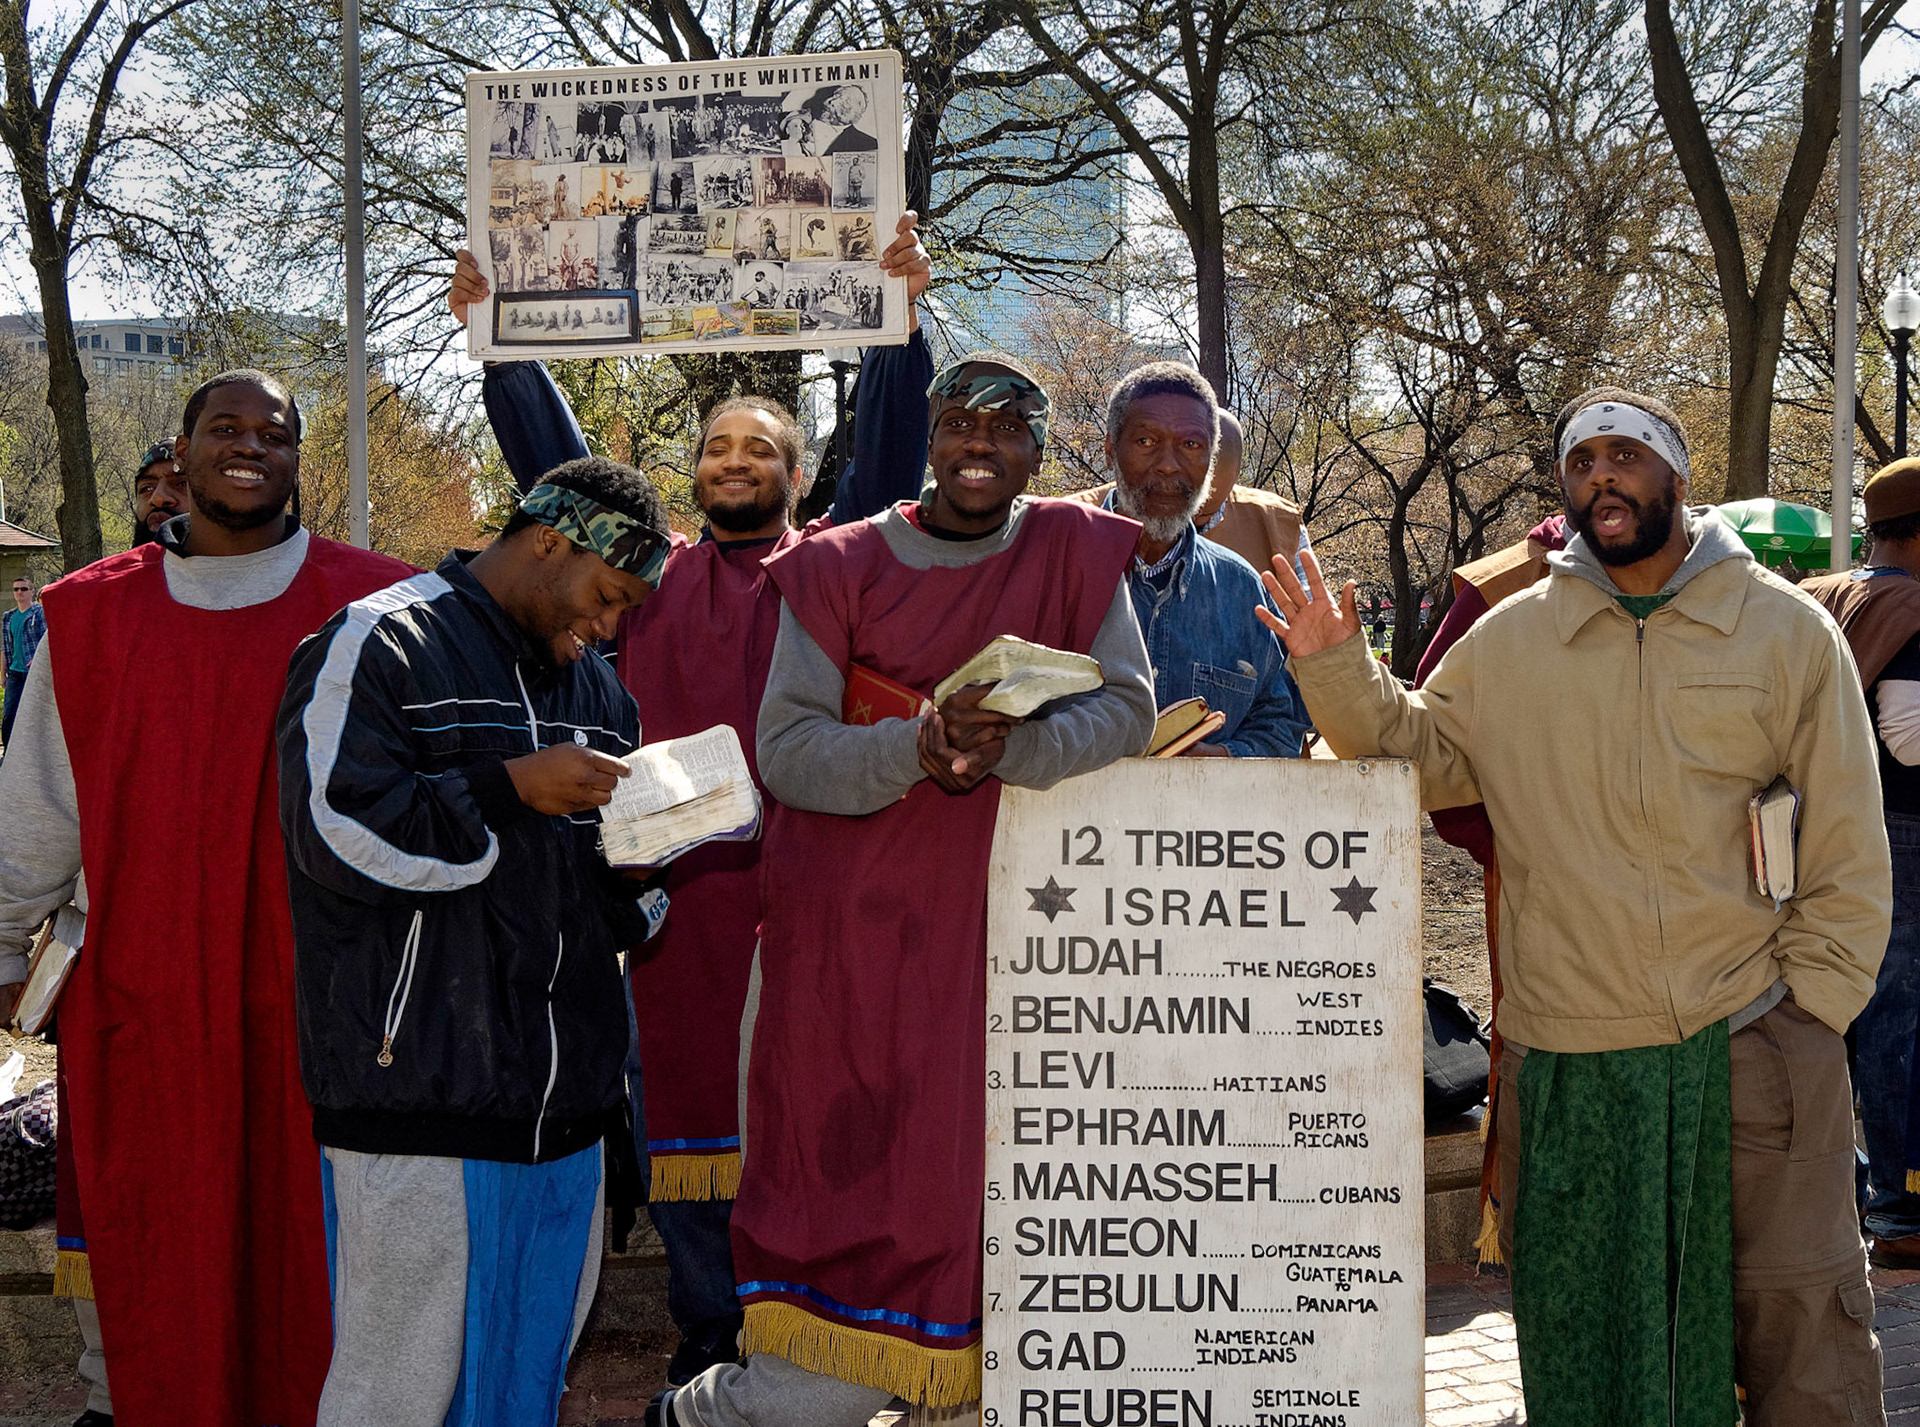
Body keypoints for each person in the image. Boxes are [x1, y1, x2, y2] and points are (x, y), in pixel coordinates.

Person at [1260, 387, 1889, 1424]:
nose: (1603, 474)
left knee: (1800, 1333)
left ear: (1675, 477)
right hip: (1574, 1056)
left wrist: (1811, 1007)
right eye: (1582, 459)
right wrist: (1334, 666)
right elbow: (1416, 752)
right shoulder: (1515, 641)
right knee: (1588, 1340)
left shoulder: (1782, 632)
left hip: (1751, 1038)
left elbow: (1847, 840)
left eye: (1627, 455)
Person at [455, 210, 936, 1385]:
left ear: (791, 470)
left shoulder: (832, 564)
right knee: (679, 1119)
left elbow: (888, 449)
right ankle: (710, 1334)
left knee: (810, 1109)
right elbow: (553, 471)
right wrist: (501, 344)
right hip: (669, 901)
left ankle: (801, 1329)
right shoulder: (643, 572)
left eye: (760, 449)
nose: (735, 461)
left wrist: (901, 319)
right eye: (718, 447)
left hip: (810, 893)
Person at [650, 353, 1155, 1427]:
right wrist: (915, 747)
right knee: (853, 1187)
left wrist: (1016, 746)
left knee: (985, 1194)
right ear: (928, 438)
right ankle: (714, 1410)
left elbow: (1128, 708)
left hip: (1009, 940)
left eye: (1006, 426)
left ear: (1035, 448)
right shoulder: (833, 566)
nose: (980, 443)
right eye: (958, 423)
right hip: (850, 944)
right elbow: (785, 751)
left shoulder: (1076, 548)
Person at [0, 369, 415, 1427]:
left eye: (271, 432)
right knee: (165, 1255)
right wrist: (5, 942)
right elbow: (37, 810)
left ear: (294, 460)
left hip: (330, 1001)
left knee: (316, 1265)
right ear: (179, 454)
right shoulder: (89, 618)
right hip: (151, 995)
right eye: (222, 428)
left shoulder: (382, 604)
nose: (247, 446)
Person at [276, 456, 673, 1427]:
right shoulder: (379, 640)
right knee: (395, 1397)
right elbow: (334, 831)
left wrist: (639, 867)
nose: (613, 625)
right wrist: (507, 787)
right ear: (548, 540)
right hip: (418, 1105)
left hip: (567, 1119)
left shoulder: (602, 694)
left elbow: (629, 904)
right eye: (608, 594)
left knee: (522, 1393)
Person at [1411, 511, 1569, 1265]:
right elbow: (1434, 730)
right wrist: (1503, 839)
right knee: (1539, 1041)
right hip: (1540, 872)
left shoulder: (1689, 573)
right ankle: (1530, 1226)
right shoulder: (1506, 583)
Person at [1801, 456, 1920, 1267]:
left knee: (1835, 1009)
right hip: (1902, 827)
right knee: (1898, 1018)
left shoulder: (1824, 595)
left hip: (1822, 826)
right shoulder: (1908, 602)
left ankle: (1846, 1191)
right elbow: (1909, 735)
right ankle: (1900, 1209)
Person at [1072, 363, 1307, 756]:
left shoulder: (1244, 591)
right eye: (1146, 441)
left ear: (1211, 461)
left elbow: (1282, 727)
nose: (1169, 464)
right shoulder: (1053, 569)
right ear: (1111, 449)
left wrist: (1222, 759)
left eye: (1191, 445)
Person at [1073, 410, 1312, 579]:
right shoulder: (1074, 520)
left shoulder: (1278, 523)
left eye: (1207, 513)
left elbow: (1315, 626)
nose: (1187, 524)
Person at [2, 575, 43, 751]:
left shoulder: (39, 613)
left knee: (35, 712)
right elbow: (4, 646)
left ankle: (34, 751)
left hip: (34, 671)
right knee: (9, 713)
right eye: (16, 589)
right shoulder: (8, 616)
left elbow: (45, 640)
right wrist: (2, 673)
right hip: (15, 672)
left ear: (32, 592)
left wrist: (38, 660)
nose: (20, 592)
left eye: (24, 589)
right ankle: (10, 752)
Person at [131, 439, 191, 545]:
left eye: (182, 484)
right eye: (147, 488)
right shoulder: (113, 562)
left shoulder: (229, 561)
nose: (158, 498)